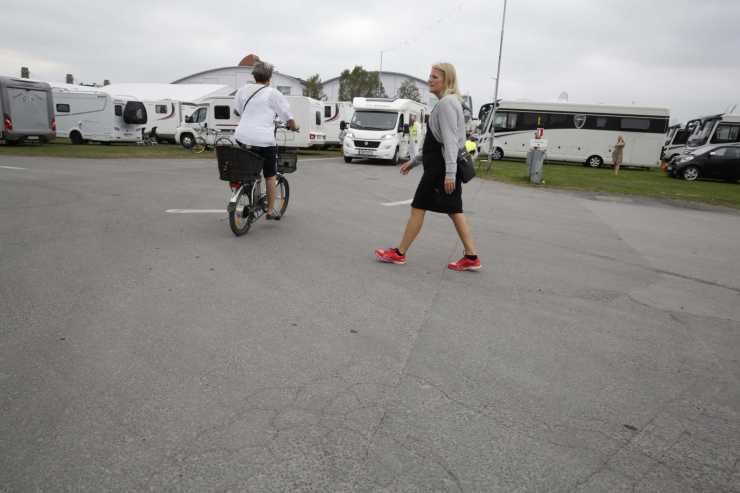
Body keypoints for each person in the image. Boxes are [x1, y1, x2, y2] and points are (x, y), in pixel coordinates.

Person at [375, 63, 480, 271]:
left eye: (434, 77)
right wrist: (413, 162)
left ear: (447, 80)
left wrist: (450, 173)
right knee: (454, 210)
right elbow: (436, 142)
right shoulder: (448, 102)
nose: (429, 80)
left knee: (419, 207)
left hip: (440, 170)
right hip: (440, 167)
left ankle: (399, 253)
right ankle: (471, 256)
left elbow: (450, 141)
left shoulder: (447, 104)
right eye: (430, 76)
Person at [234, 60, 299, 219]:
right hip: (264, 140)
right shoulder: (272, 93)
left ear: (254, 76)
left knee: (246, 170)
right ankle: (270, 211)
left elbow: (238, 111)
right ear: (269, 78)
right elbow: (287, 116)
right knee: (270, 175)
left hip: (242, 137)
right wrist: (294, 126)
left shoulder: (242, 90)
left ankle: (243, 191)